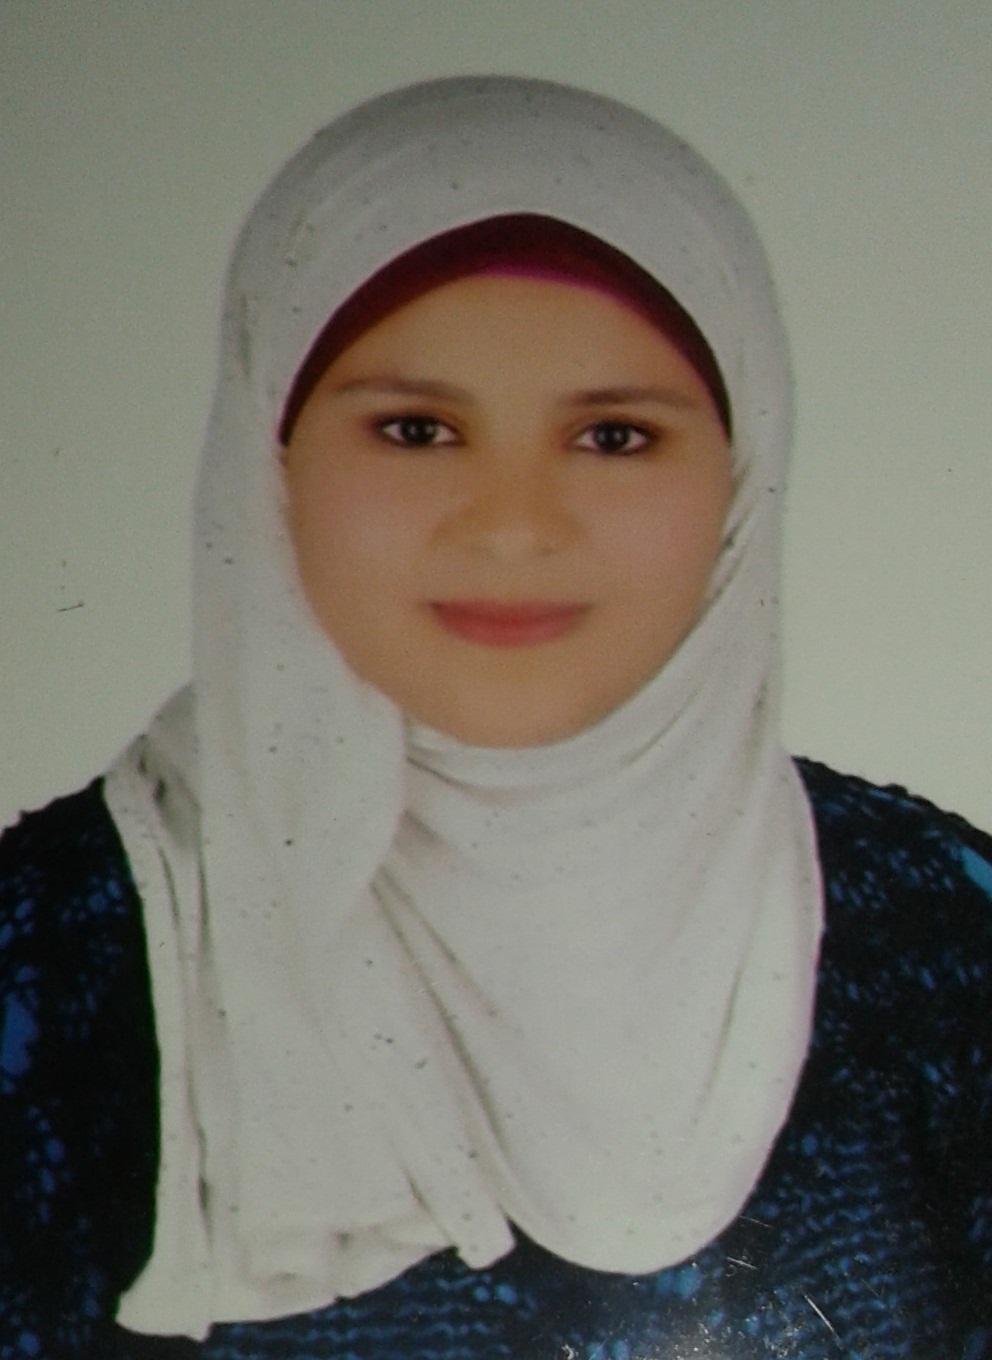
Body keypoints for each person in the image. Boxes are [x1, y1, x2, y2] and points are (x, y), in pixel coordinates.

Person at [1, 76, 989, 1360]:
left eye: (614, 437)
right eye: (416, 429)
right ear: (269, 458)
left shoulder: (938, 934)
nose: (514, 525)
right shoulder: (51, 962)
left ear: (740, 473)